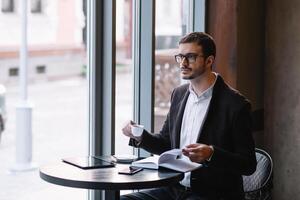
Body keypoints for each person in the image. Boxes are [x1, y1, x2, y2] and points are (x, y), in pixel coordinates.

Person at [121, 32, 257, 200]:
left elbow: (248, 164)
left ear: (209, 61)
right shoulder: (178, 94)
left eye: (191, 57)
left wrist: (211, 154)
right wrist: (140, 135)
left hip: (211, 194)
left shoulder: (236, 105)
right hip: (174, 189)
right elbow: (165, 144)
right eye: (180, 57)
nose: (183, 63)